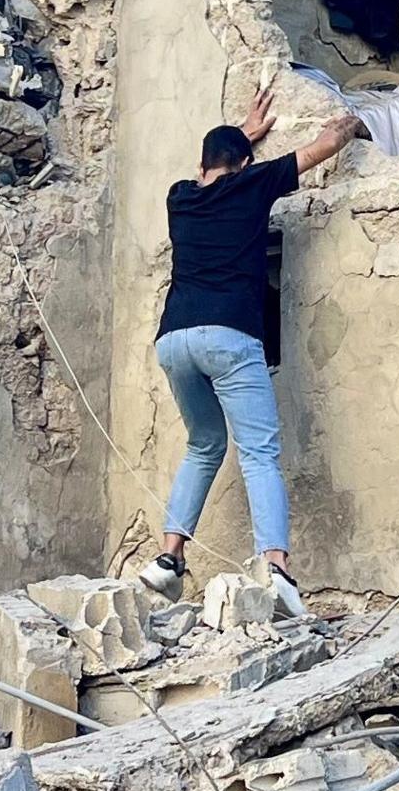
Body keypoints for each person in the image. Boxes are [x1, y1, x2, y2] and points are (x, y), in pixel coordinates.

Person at [139, 85, 361, 610]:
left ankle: (169, 559)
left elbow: (212, 171)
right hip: (230, 337)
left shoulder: (180, 196)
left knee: (204, 444)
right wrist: (354, 122)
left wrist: (241, 133)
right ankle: (278, 571)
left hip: (175, 341)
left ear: (202, 165)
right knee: (259, 453)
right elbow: (322, 147)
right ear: (243, 165)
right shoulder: (254, 183)